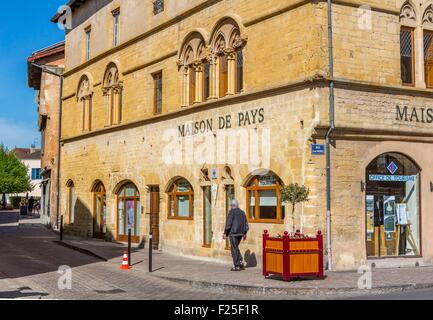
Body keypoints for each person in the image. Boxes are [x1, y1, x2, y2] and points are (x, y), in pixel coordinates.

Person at [223, 199, 249, 271]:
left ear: (232, 205)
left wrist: (225, 233)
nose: (230, 206)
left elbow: (228, 224)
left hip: (233, 234)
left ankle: (237, 265)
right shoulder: (242, 212)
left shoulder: (232, 212)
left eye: (231, 205)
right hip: (240, 233)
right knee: (235, 247)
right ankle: (240, 261)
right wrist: (244, 233)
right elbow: (246, 224)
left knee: (234, 249)